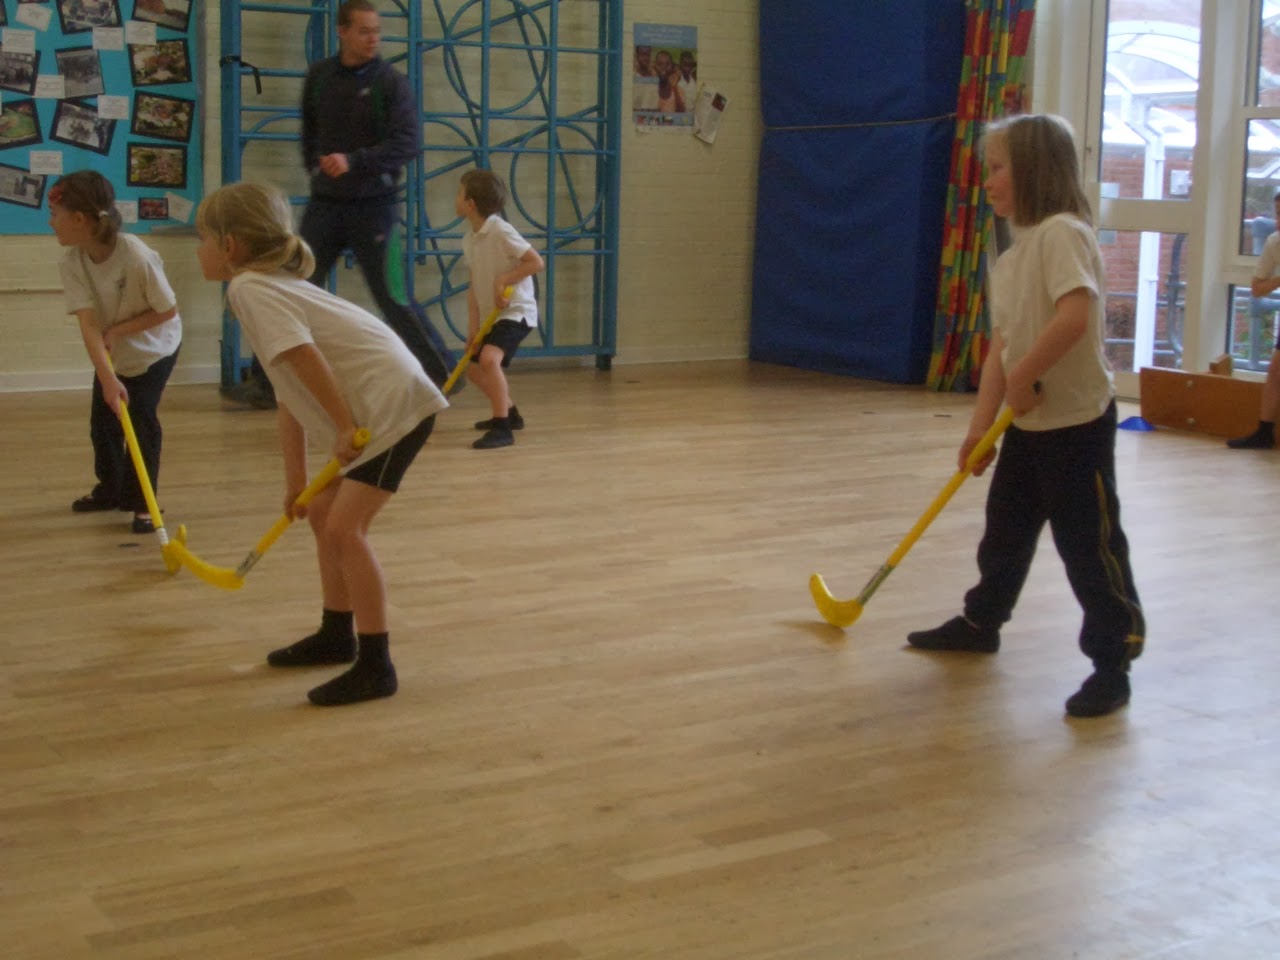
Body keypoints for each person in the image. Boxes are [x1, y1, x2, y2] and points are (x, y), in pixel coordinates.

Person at [906, 113, 1144, 719]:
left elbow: (1074, 318)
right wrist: (979, 428)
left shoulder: (1065, 234)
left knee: (1087, 545)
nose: (987, 181)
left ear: (1034, 170)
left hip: (1076, 426)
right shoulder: (1010, 256)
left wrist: (1023, 377)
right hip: (1026, 427)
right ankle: (981, 621)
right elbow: (1001, 350)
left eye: (997, 168)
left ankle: (1112, 659)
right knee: (1005, 532)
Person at [196, 181, 448, 706]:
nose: (198, 249)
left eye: (203, 238)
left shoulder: (249, 288)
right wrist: (297, 483)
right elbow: (291, 391)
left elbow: (309, 359)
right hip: (368, 408)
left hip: (392, 406)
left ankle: (377, 665)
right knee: (322, 516)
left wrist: (340, 426)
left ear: (231, 246)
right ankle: (337, 634)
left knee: (346, 528)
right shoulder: (261, 288)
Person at [226, 0, 453, 411]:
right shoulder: (320, 78)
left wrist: (355, 161)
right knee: (290, 288)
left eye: (377, 31)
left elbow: (408, 144)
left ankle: (442, 373)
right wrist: (317, 165)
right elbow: (310, 131)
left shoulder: (390, 83)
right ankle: (266, 383)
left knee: (393, 296)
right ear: (342, 32)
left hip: (376, 206)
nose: (373, 39)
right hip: (326, 206)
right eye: (364, 31)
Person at [50, 170, 182, 535]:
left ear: (79, 220)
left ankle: (143, 505)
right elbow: (89, 325)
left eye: (55, 215)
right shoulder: (71, 262)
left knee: (139, 421)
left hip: (156, 347)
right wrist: (108, 378)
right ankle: (110, 490)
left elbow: (167, 310)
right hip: (114, 351)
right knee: (104, 424)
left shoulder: (136, 256)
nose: (50, 223)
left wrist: (118, 331)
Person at [456, 168, 545, 449]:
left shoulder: (500, 230)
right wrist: (473, 331)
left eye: (459, 194)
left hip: (516, 311)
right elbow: (472, 289)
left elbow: (535, 262)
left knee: (489, 360)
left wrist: (504, 280)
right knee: (472, 368)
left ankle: (502, 427)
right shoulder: (470, 239)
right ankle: (510, 412)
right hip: (491, 316)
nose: (455, 200)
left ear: (471, 204)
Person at [1226, 189, 1280, 449]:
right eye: (1278, 214)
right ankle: (1264, 431)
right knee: (1276, 370)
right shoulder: (1274, 242)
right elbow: (1257, 287)